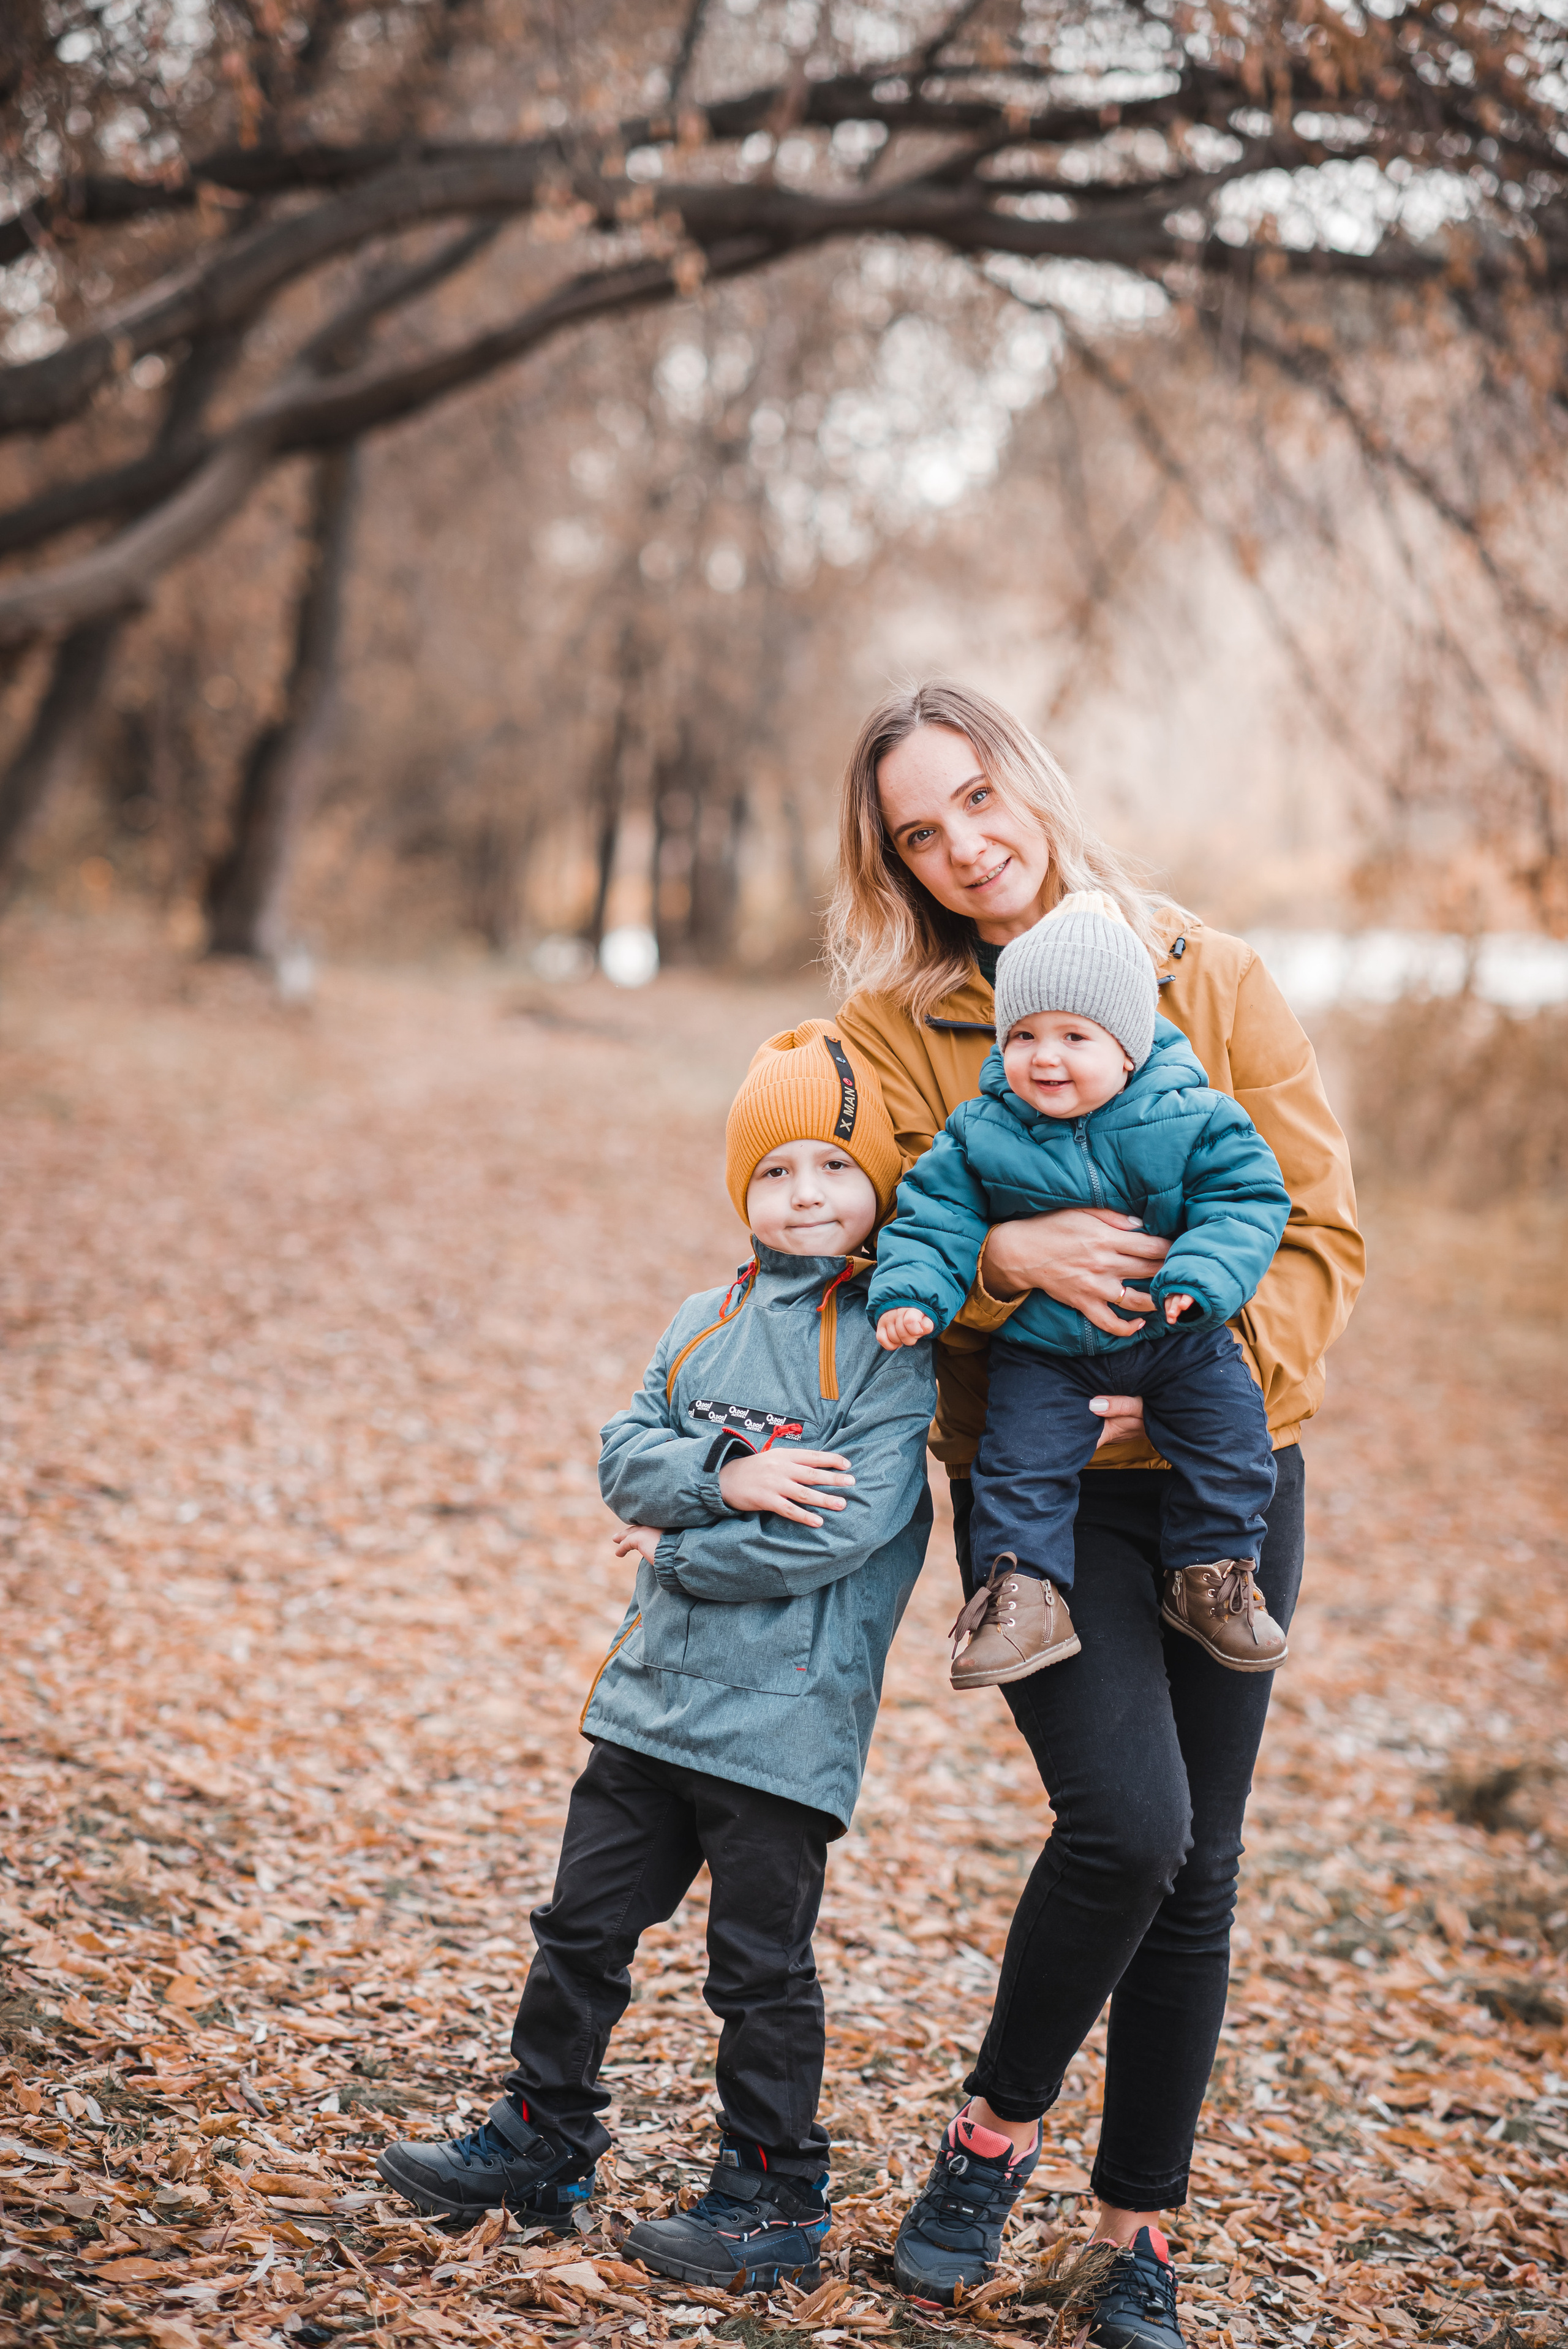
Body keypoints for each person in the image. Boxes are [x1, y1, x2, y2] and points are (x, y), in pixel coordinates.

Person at [829, 681, 1363, 2347]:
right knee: (1130, 1825)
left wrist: (1191, 1358)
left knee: (1200, 1868)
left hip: (1221, 1472)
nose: (963, 845)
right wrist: (995, 1263)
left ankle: (1135, 2234)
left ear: (1034, 782)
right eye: (920, 830)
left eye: (979, 798)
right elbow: (838, 1236)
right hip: (1039, 1498)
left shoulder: (1213, 976)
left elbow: (1317, 1234)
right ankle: (991, 2131)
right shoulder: (894, 1032)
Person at [375, 1021, 937, 2294]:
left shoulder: (887, 1350)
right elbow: (622, 1454)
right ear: (743, 1190)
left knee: (756, 1969)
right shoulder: (702, 1320)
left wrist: (677, 1551)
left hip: (779, 1725)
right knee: (579, 1927)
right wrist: (729, 1473)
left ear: (877, 1186)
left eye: (834, 1169)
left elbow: (841, 1530)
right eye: (777, 1171)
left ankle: (770, 2193)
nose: (806, 1194)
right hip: (647, 1702)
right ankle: (544, 2134)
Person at [870, 891, 1292, 1689]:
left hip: (1177, 1335)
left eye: (1074, 1035)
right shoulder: (982, 1129)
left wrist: (1200, 1276)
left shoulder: (1194, 1116)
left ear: (1127, 1046)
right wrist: (914, 1295)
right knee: (1016, 1463)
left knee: (1234, 1439)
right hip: (1048, 1354)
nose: (1046, 1056)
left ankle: (1214, 1572)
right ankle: (1025, 1593)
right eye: (1024, 1035)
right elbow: (934, 1217)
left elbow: (1248, 1199)